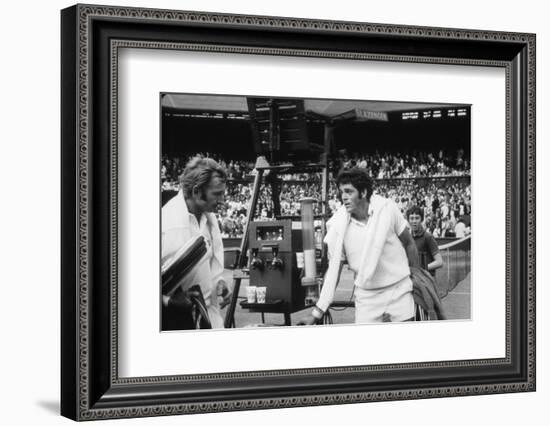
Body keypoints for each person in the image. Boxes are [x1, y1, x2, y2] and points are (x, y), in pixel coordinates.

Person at [301, 168, 420, 325]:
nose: (343, 197)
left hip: (400, 290)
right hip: (366, 297)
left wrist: (416, 280)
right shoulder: (337, 225)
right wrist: (318, 311)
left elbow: (409, 243)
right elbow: (334, 270)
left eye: (349, 191)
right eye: (342, 192)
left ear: (363, 192)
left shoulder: (388, 208)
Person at [161, 156, 231, 330]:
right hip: (176, 324)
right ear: (197, 192)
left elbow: (210, 266)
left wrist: (220, 283)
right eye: (217, 194)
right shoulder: (165, 222)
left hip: (209, 318)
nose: (222, 200)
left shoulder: (209, 219)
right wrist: (167, 301)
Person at [406, 206, 443, 277]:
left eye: (417, 218)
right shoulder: (407, 237)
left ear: (422, 219)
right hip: (413, 280)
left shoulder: (428, 237)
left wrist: (422, 269)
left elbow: (439, 262)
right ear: (408, 220)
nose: (414, 221)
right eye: (411, 218)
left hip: (427, 280)